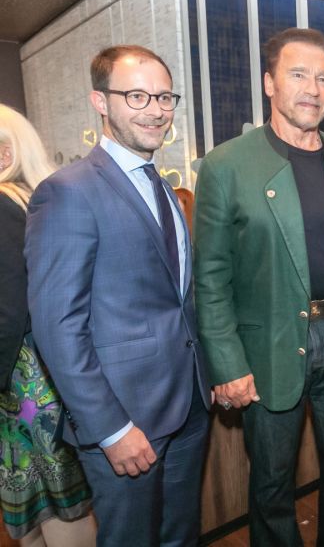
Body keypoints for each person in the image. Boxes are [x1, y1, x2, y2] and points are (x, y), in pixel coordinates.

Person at [193, 27, 324, 547]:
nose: (313, 88)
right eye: (298, 74)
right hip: (268, 347)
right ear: (269, 83)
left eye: (323, 78)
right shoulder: (225, 166)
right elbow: (210, 279)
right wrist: (227, 363)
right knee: (272, 483)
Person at [25, 45, 211, 547]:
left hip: (189, 404)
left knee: (181, 536)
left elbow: (177, 300)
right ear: (100, 102)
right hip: (126, 418)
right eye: (137, 96)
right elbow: (57, 327)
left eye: (165, 97)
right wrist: (110, 429)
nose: (156, 109)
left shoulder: (165, 188)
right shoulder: (67, 191)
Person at [0, 105, 95, 546]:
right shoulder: (34, 197)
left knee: (54, 500)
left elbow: (9, 307)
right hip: (49, 368)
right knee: (54, 496)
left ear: (5, 152)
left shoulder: (3, 203)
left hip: (23, 379)